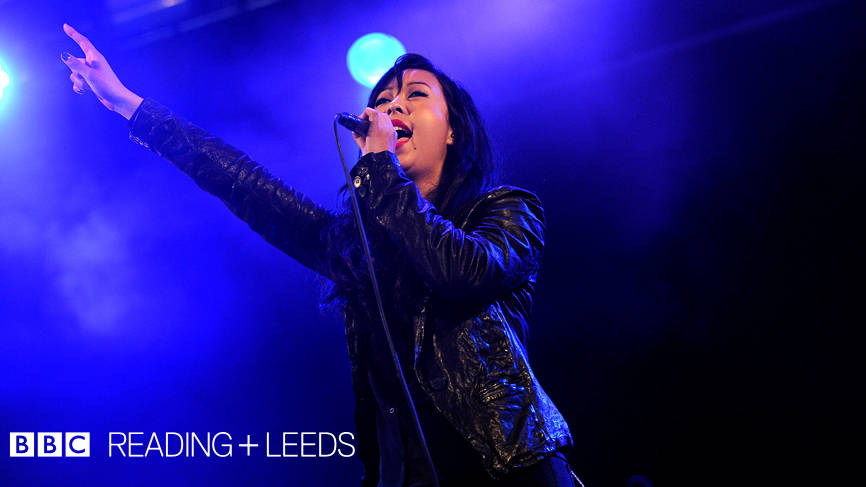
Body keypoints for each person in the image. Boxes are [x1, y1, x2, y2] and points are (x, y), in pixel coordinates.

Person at [61, 23, 580, 487]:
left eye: (416, 95)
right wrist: (129, 103)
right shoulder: (355, 248)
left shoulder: (507, 211)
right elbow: (245, 184)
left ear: (452, 131)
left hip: (512, 471)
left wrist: (381, 170)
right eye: (383, 99)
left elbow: (461, 272)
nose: (392, 106)